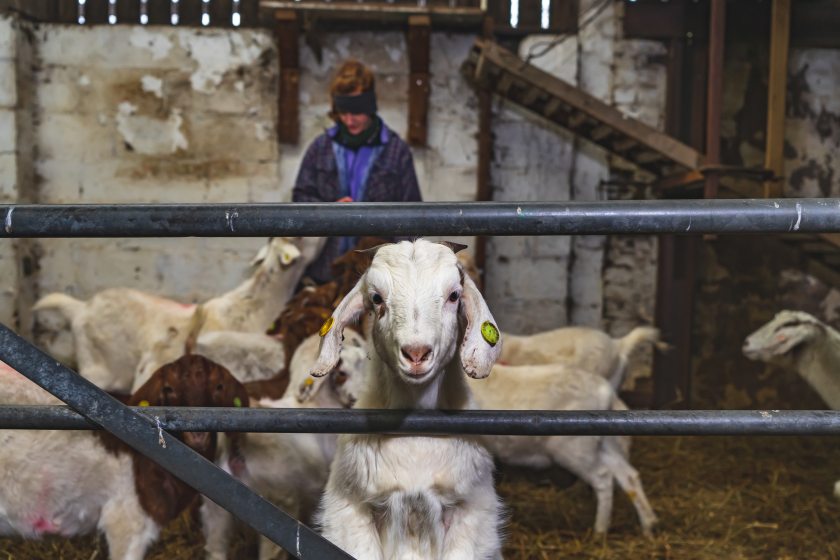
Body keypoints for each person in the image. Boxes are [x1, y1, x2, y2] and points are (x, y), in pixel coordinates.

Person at [292, 59, 422, 284]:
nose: (349, 120)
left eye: (356, 112)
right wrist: (328, 211)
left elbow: (412, 217)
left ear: (370, 106)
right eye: (343, 112)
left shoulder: (396, 152)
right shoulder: (320, 148)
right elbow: (300, 199)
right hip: (323, 277)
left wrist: (405, 274)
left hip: (378, 280)